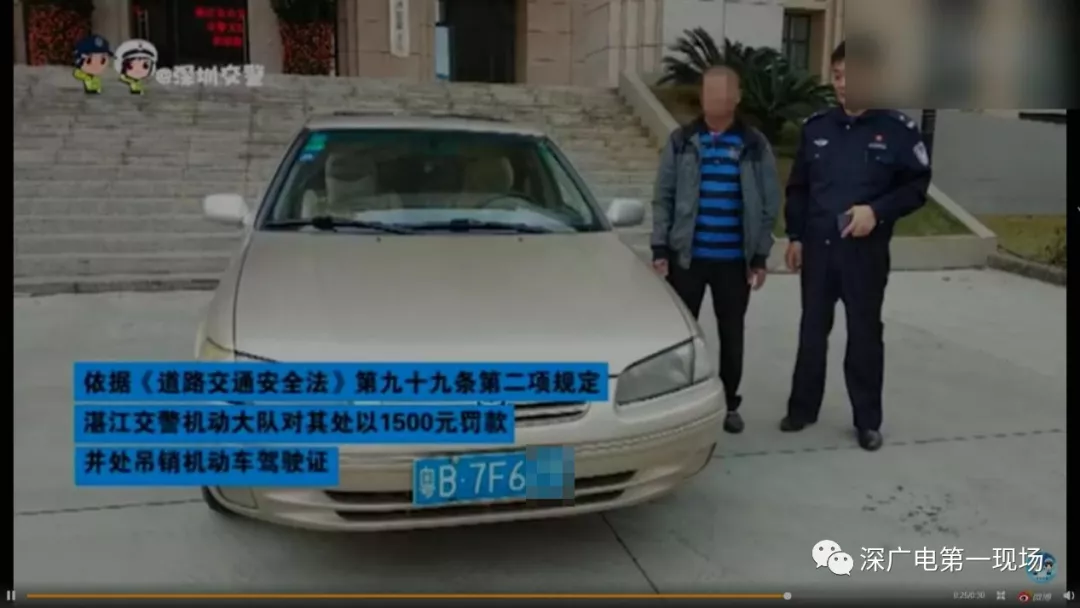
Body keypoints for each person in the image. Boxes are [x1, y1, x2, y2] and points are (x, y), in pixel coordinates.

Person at [780, 41, 932, 451]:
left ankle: (867, 420)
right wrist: (795, 236)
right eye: (838, 75)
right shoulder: (816, 128)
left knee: (864, 335)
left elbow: (916, 188)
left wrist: (877, 212)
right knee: (812, 331)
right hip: (818, 250)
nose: (844, 84)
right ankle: (802, 409)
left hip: (864, 255)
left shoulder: (897, 130)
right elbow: (799, 189)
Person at [651, 65, 782, 434]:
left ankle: (729, 404)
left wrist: (759, 255)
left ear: (736, 97)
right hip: (687, 259)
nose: (715, 99)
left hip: (734, 262)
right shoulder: (682, 141)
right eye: (709, 92)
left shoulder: (754, 144)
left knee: (731, 334)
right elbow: (663, 197)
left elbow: (769, 203)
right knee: (680, 337)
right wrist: (660, 247)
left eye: (723, 92)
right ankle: (678, 402)